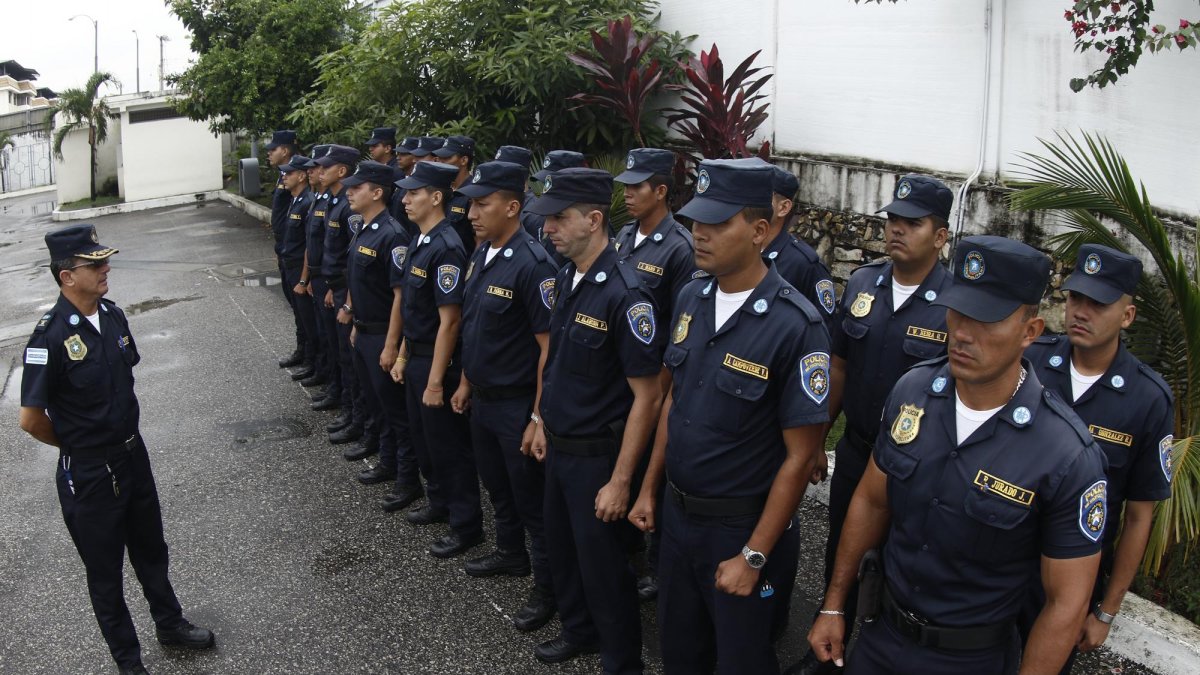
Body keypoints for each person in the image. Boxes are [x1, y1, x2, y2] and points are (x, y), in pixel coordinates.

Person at [808, 235, 1110, 675]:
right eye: (958, 312)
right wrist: (835, 605)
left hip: (970, 658)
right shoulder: (913, 391)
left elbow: (1066, 603)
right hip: (880, 638)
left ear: (1030, 331)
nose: (963, 333)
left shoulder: (1064, 453)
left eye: (986, 319)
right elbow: (873, 499)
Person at [627, 158, 829, 674]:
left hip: (740, 528)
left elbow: (801, 457)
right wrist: (650, 488)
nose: (700, 234)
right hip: (678, 518)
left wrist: (755, 555)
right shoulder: (692, 296)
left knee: (740, 660)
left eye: (718, 223)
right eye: (697, 221)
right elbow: (675, 402)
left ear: (760, 230)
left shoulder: (795, 326)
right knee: (681, 651)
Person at [19, 225, 215, 675]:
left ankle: (170, 623)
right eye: (94, 264)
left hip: (132, 454)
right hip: (89, 472)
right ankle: (129, 662)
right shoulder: (47, 339)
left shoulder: (111, 315)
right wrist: (78, 447)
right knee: (105, 575)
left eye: (103, 261)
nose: (106, 269)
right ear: (67, 276)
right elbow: (30, 419)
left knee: (151, 549)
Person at [788, 174, 954, 675]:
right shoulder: (864, 282)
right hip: (859, 451)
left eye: (913, 223)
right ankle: (828, 647)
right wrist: (818, 439)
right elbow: (838, 366)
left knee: (902, 566)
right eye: (893, 221)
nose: (897, 230)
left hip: (917, 470)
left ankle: (877, 655)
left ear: (940, 235)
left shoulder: (956, 304)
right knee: (843, 549)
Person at [523, 167, 664, 673]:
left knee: (605, 569)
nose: (548, 228)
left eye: (560, 218)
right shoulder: (567, 275)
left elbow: (647, 398)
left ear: (594, 220)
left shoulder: (626, 296)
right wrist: (539, 419)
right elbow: (556, 361)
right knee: (564, 553)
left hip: (597, 459)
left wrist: (621, 482)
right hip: (560, 445)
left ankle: (621, 660)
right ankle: (579, 631)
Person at [1018, 244, 1174, 673]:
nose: (1081, 312)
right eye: (1075, 298)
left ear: (1127, 316)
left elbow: (1140, 516)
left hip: (1072, 580)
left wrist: (1105, 611)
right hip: (999, 561)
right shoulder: (1031, 363)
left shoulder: (1148, 399)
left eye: (1098, 304)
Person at [453, 160, 560, 631]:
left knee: (532, 502)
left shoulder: (534, 265)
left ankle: (547, 590)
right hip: (483, 397)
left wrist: (538, 416)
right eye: (472, 204)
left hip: (517, 403)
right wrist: (464, 382)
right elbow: (475, 327)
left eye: (483, 204)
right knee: (497, 486)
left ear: (513, 206)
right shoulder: (485, 253)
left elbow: (547, 351)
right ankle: (510, 553)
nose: (472, 213)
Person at [612, 147, 696, 603]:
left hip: (657, 385)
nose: (627, 193)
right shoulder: (625, 236)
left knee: (654, 475)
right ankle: (631, 553)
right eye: (625, 185)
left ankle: (661, 567)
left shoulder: (680, 250)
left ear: (661, 191)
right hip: (625, 385)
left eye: (636, 186)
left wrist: (659, 397)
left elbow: (679, 331)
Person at [392, 160, 484, 558]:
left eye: (414, 193)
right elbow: (415, 310)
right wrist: (401, 354)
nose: (406, 199)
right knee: (426, 439)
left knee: (449, 446)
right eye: (406, 192)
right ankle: (439, 502)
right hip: (416, 358)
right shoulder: (422, 239)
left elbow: (450, 322)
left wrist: (434, 381)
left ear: (436, 197)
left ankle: (466, 525)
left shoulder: (446, 246)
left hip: (438, 364)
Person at [340, 160, 425, 510]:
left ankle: (408, 481)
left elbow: (399, 296)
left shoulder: (392, 235)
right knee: (378, 405)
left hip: (382, 335)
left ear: (377, 192)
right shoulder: (364, 227)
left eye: (357, 187)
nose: (349, 192)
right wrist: (354, 320)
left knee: (397, 412)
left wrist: (392, 346)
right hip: (365, 331)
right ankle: (388, 464)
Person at [314, 145, 372, 452]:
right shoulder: (334, 201)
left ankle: (359, 419)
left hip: (346, 291)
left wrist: (346, 300)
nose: (320, 172)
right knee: (344, 356)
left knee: (352, 360)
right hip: (335, 288)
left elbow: (350, 261)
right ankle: (352, 413)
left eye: (327, 167)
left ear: (342, 170)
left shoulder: (350, 212)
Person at [761, 164, 837, 322]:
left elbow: (822, 328)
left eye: (761, 195)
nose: (752, 202)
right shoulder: (740, 250)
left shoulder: (804, 264)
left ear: (783, 207)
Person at [277, 155, 321, 385]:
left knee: (309, 319)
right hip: (289, 265)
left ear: (302, 176)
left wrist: (304, 279)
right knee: (299, 316)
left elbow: (308, 245)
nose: (284, 176)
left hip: (299, 268)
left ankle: (314, 363)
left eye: (289, 173)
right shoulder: (294, 199)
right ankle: (303, 353)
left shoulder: (307, 201)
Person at [265, 129, 305, 369]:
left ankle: (309, 352)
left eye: (273, 149)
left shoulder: (299, 177)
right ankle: (304, 349)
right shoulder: (284, 177)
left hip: (296, 251)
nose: (269, 153)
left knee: (304, 308)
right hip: (284, 248)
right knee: (295, 305)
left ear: (286, 150)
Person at [431, 134, 479, 250]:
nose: (441, 162)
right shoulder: (441, 189)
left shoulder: (473, 194)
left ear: (463, 160)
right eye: (440, 158)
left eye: (447, 158)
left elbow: (479, 239)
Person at [387, 136, 421, 238]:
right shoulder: (402, 181)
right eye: (398, 154)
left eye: (404, 154)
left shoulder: (417, 185)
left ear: (414, 156)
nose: (398, 157)